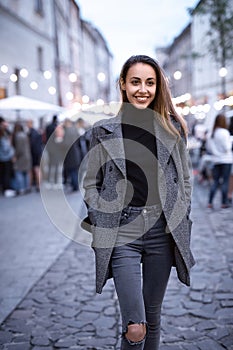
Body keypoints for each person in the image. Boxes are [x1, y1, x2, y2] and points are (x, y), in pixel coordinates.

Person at [81, 55, 195, 349]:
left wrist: (181, 209)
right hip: (123, 232)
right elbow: (90, 182)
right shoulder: (104, 130)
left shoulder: (172, 128)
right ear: (123, 84)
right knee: (135, 325)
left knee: (152, 317)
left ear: (157, 87)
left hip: (162, 229)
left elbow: (184, 179)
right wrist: (100, 212)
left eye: (150, 82)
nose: (142, 89)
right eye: (135, 82)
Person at [206, 113, 233, 209]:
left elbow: (208, 148)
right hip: (226, 160)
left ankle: (210, 202)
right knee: (225, 181)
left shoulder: (211, 133)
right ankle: (224, 202)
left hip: (216, 160)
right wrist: (230, 141)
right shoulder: (224, 133)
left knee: (215, 181)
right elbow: (227, 148)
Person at [12, 122, 32, 194]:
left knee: (18, 172)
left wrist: (15, 156)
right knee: (26, 172)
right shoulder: (25, 135)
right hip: (27, 156)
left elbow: (19, 149)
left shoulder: (18, 136)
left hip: (21, 157)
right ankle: (27, 187)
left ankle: (21, 188)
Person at [0, 116, 15, 196]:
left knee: (4, 173)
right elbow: (6, 148)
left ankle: (5, 189)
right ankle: (6, 189)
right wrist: (9, 141)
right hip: (5, 157)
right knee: (6, 174)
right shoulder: (2, 134)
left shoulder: (4, 132)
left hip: (3, 157)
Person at [26, 119, 43, 191]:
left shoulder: (32, 133)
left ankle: (38, 185)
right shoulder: (35, 132)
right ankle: (39, 185)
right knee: (37, 169)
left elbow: (32, 144)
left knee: (36, 169)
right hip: (38, 152)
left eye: (27, 123)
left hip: (35, 153)